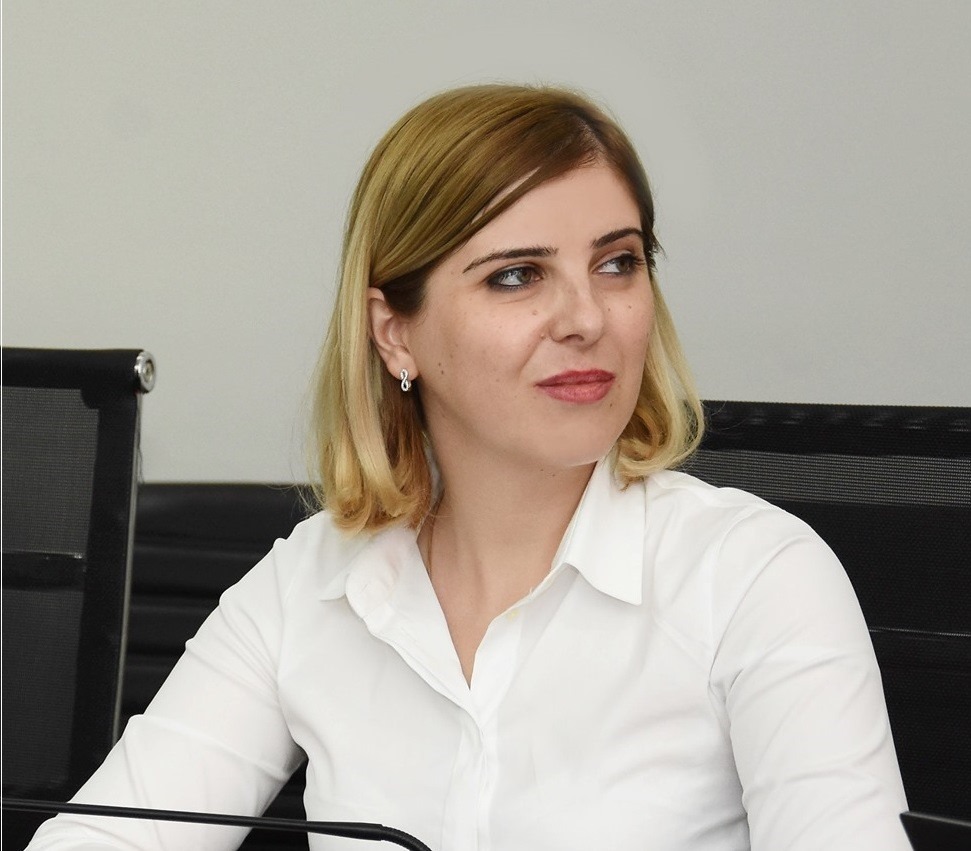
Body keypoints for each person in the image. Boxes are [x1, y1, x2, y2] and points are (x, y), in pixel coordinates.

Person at [28, 84, 910, 850]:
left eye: (617, 262)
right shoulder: (309, 585)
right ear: (394, 333)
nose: (586, 317)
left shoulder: (754, 577)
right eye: (516, 276)